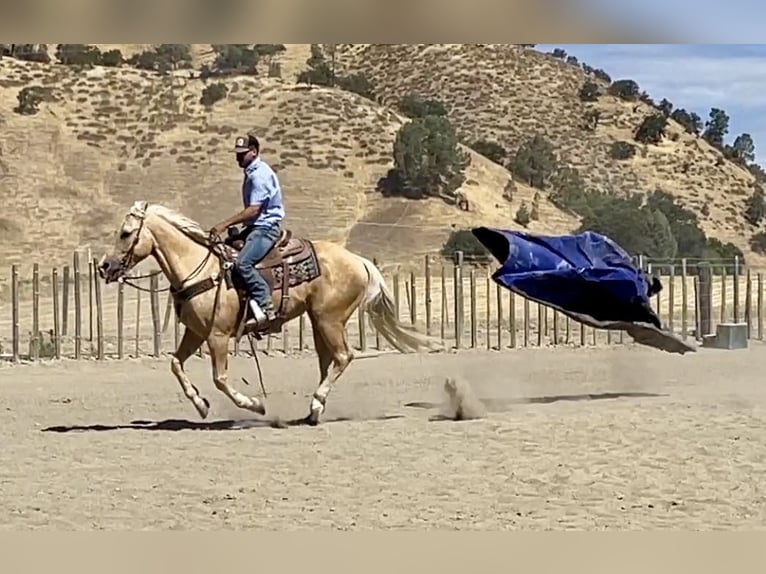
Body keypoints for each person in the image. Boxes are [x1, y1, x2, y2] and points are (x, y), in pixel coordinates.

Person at [209, 134, 285, 327]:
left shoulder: (259, 175)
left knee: (243, 263)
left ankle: (266, 306)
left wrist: (224, 224)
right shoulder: (252, 171)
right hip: (254, 226)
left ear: (254, 152)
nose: (238, 158)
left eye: (242, 154)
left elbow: (254, 209)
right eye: (237, 154)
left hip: (266, 228)